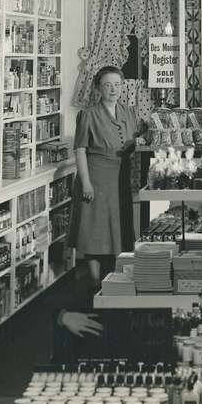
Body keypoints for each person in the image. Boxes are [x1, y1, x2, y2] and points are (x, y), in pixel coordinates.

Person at [67, 66, 146, 286]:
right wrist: (86, 183)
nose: (113, 89)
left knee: (117, 227)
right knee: (94, 228)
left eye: (117, 85)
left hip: (120, 178)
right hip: (96, 176)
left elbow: (133, 140)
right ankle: (94, 283)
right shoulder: (88, 114)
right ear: (98, 88)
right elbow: (80, 149)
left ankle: (116, 280)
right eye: (107, 85)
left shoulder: (128, 112)